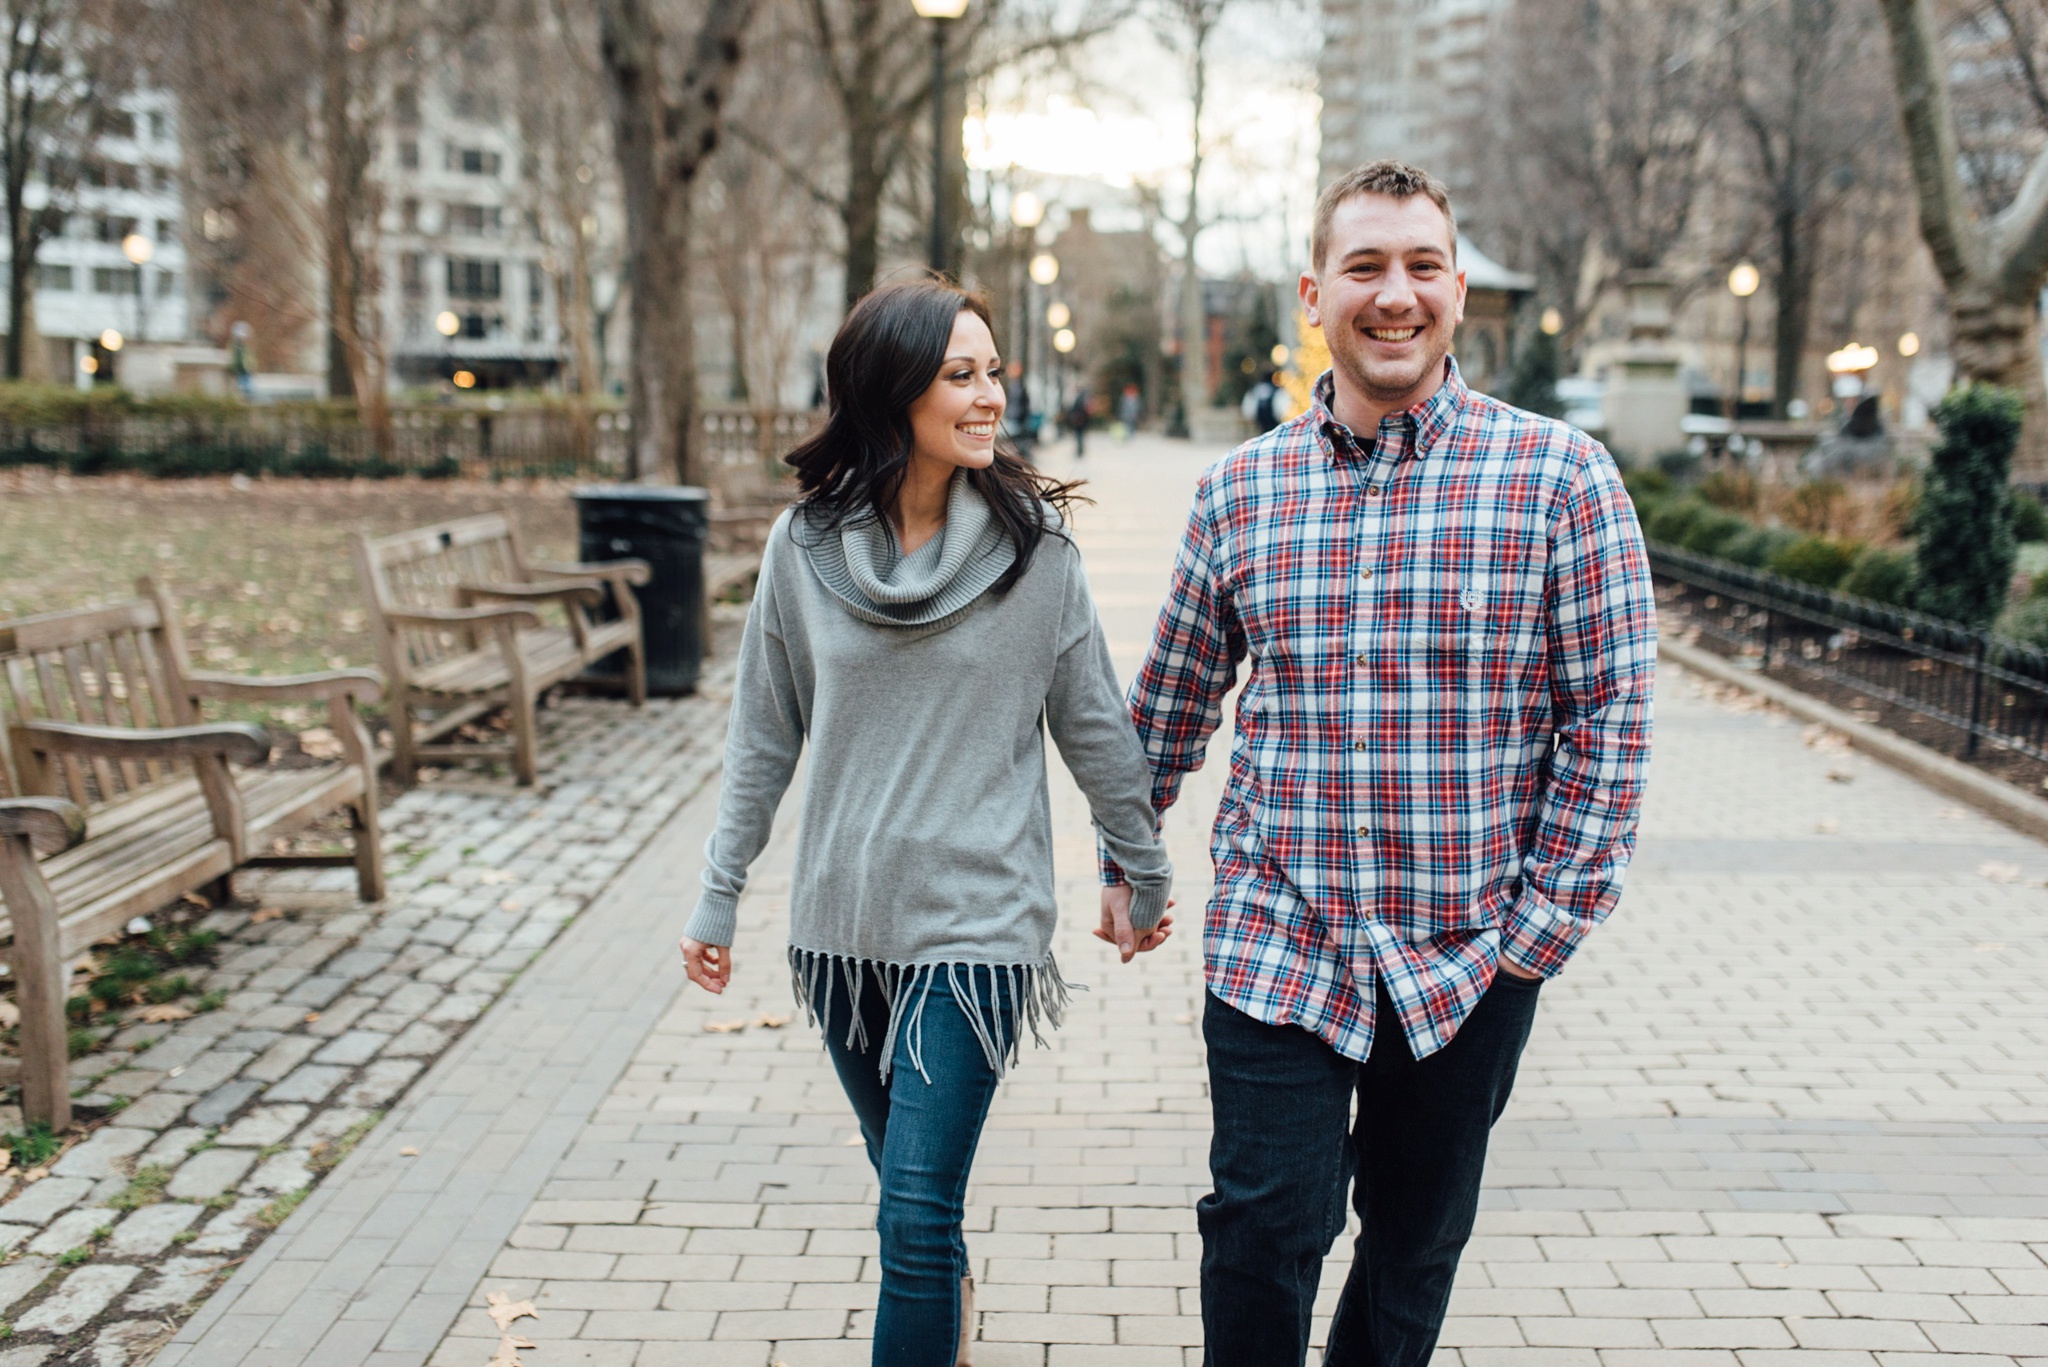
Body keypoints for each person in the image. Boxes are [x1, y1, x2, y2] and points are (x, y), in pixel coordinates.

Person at [1099, 159, 1656, 1367]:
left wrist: (1539, 928)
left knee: (1410, 1243)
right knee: (1259, 1230)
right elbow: (1173, 695)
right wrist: (1124, 850)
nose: (1391, 294)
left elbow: (1609, 717)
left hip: (1467, 950)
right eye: (1363, 267)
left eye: (1418, 266)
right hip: (1278, 930)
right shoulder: (1240, 491)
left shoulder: (1561, 481)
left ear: (1456, 289)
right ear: (1314, 295)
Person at [681, 279, 1175, 1367]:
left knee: (909, 1213)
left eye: (993, 369)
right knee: (911, 1200)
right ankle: (943, 1310)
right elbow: (763, 737)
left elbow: (1093, 724)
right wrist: (718, 892)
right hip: (842, 928)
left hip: (976, 927)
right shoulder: (803, 549)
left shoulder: (1034, 553)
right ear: (891, 387)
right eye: (962, 373)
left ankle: (928, 1298)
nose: (990, 392)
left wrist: (1141, 865)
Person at [1065, 388, 1091, 458]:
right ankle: (1080, 450)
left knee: (1079, 436)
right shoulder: (1084, 399)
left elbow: (1074, 409)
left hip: (1079, 421)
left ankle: (1080, 451)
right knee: (1080, 436)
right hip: (1083, 421)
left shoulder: (1078, 399)